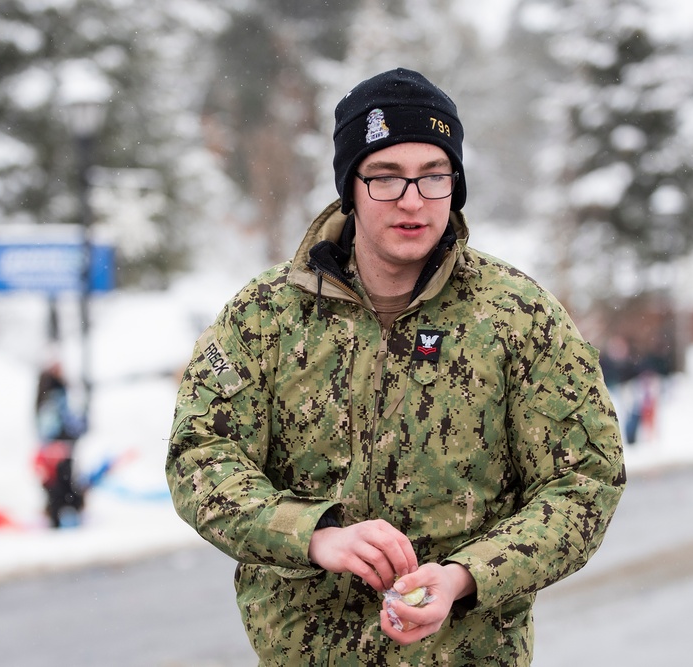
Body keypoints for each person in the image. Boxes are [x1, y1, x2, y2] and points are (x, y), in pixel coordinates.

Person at [166, 68, 626, 665]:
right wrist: (314, 535)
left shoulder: (519, 316)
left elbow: (585, 481)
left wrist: (466, 576)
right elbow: (201, 457)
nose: (412, 200)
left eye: (433, 177)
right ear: (349, 187)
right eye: (385, 177)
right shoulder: (265, 315)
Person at [33, 362, 85, 528]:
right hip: (59, 446)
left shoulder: (46, 393)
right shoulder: (54, 394)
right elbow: (57, 421)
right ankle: (62, 515)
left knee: (58, 485)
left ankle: (58, 515)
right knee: (62, 484)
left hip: (57, 446)